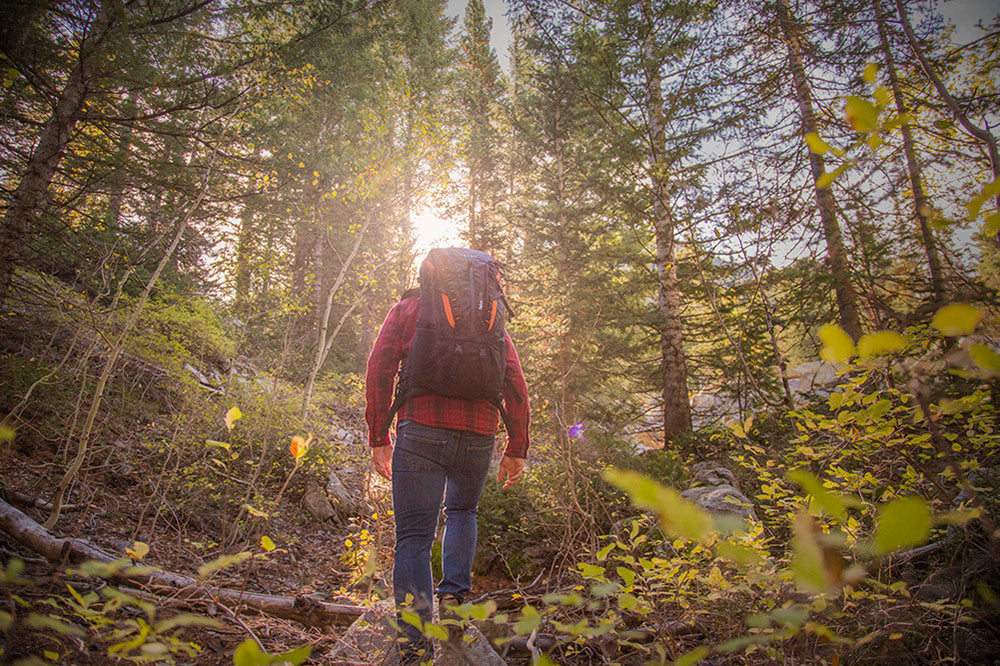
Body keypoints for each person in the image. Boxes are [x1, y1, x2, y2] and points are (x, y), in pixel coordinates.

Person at [365, 271, 530, 664]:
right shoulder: (488, 315)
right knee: (462, 512)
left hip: (420, 430)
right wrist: (517, 445)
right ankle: (454, 599)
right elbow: (515, 382)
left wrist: (378, 435)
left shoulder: (410, 308)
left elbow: (379, 367)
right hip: (478, 434)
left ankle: (414, 645)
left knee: (413, 538)